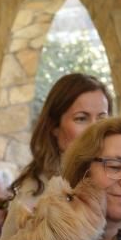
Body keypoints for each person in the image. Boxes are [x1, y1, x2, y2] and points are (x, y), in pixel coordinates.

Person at [10, 72, 112, 208]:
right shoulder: (34, 195)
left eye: (102, 119)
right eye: (81, 118)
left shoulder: (117, 178)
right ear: (54, 126)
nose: (95, 129)